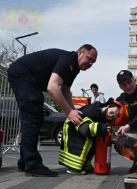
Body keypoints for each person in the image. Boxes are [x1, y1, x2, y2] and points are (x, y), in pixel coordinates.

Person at [7, 44, 97, 177]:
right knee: (33, 115)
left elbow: (65, 90)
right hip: (22, 73)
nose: (90, 63)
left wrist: (74, 113)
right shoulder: (68, 60)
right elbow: (53, 87)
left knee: (35, 117)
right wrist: (69, 112)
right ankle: (32, 165)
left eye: (93, 62)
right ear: (79, 53)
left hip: (29, 79)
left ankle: (25, 162)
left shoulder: (74, 68)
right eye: (89, 58)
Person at [59, 99, 126, 174]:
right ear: (108, 106)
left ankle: (85, 166)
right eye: (112, 112)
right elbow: (85, 129)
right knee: (78, 148)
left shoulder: (101, 116)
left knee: (90, 145)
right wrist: (103, 128)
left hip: (79, 131)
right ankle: (73, 168)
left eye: (113, 116)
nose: (111, 115)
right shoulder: (92, 110)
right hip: (73, 130)